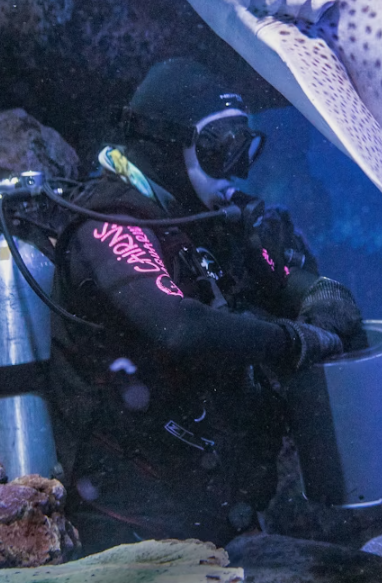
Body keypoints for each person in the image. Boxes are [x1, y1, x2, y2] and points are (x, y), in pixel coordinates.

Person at [48, 58, 365, 550]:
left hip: (213, 504)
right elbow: (179, 326)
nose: (237, 167)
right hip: (129, 523)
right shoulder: (110, 223)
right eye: (219, 148)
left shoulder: (206, 217)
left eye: (244, 145)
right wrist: (293, 341)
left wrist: (324, 297)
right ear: (165, 145)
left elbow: (284, 280)